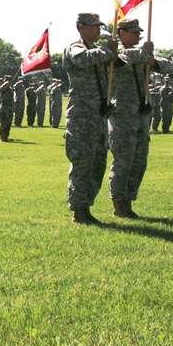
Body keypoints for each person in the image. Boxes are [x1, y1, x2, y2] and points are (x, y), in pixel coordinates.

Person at [107, 19, 172, 219]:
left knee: (139, 161)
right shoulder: (115, 52)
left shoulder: (141, 55)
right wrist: (144, 54)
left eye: (139, 32)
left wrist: (151, 60)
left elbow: (167, 66)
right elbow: (122, 58)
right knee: (123, 161)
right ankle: (119, 203)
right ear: (122, 33)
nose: (138, 36)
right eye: (134, 32)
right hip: (123, 114)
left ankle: (128, 200)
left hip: (140, 115)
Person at [63, 13, 117, 225]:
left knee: (97, 164)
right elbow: (82, 59)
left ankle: (87, 206)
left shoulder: (100, 52)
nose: (98, 30)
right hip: (81, 116)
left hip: (99, 115)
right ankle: (79, 209)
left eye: (99, 26)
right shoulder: (75, 46)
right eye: (93, 26)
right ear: (81, 27)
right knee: (82, 163)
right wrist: (107, 50)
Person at [0, 75, 14, 142]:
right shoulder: (3, 88)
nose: (10, 82)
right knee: (4, 123)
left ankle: (6, 137)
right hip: (4, 108)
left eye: (10, 81)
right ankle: (3, 137)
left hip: (10, 108)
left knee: (8, 124)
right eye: (8, 81)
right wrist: (5, 84)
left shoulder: (10, 89)